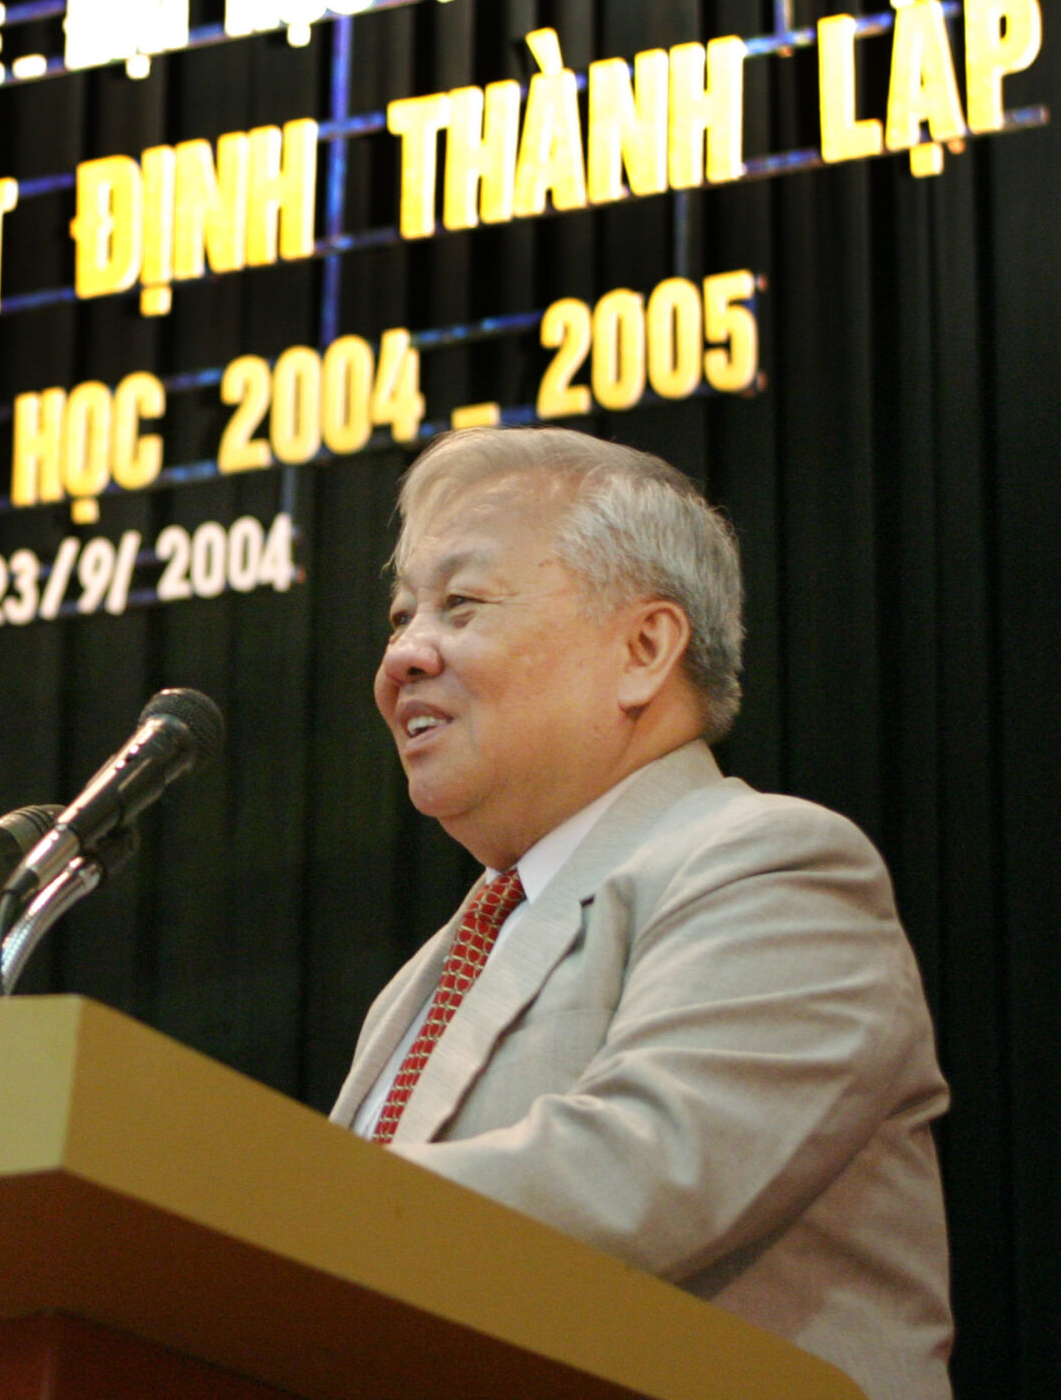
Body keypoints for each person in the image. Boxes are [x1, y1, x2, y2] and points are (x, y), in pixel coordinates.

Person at [335, 426, 952, 1400]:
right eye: (400, 613)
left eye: (461, 604)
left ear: (643, 649)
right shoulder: (421, 980)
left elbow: (637, 1177)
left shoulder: (770, 863)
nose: (403, 654)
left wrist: (273, 1209)